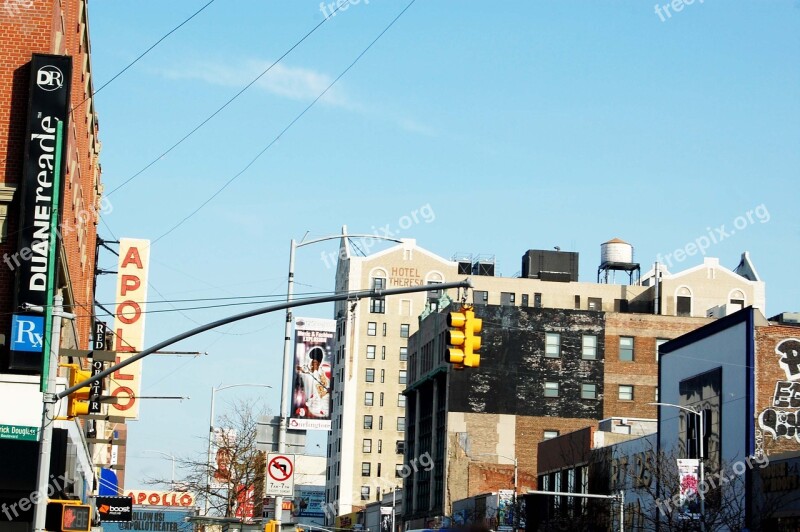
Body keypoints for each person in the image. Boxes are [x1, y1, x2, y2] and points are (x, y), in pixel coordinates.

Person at [296, 346, 330, 418]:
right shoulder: (308, 371)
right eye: (311, 361)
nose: (311, 364)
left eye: (314, 362)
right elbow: (301, 369)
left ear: (319, 362)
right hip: (314, 402)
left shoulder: (324, 372)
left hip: (323, 401)